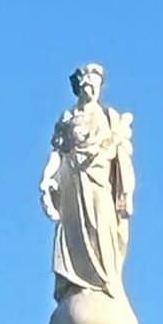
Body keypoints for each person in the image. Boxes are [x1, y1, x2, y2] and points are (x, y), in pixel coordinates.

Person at [39, 63, 135, 301]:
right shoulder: (69, 117)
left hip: (98, 183)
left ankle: (103, 281)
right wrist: (47, 176)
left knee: (101, 228)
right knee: (74, 233)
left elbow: (122, 159)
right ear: (80, 88)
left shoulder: (108, 118)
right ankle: (76, 284)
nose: (91, 89)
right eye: (87, 85)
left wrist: (125, 193)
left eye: (95, 85)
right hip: (72, 183)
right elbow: (57, 152)